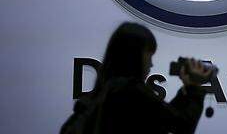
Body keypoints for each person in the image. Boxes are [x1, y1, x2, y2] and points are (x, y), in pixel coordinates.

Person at [60, 22, 212, 134]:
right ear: (134, 55)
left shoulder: (104, 92)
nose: (151, 64)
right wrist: (194, 89)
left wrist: (186, 90)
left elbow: (161, 116)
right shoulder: (130, 91)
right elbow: (181, 125)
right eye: (148, 55)